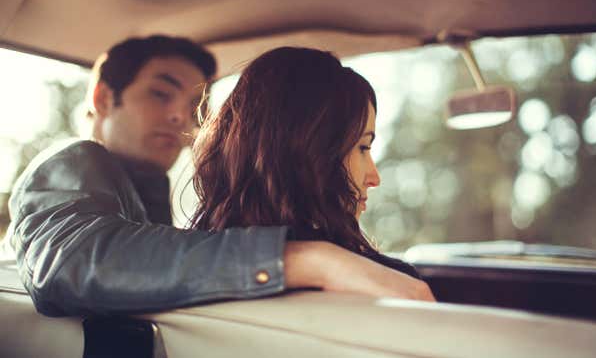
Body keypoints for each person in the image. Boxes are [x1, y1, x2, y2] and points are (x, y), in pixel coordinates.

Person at [6, 36, 434, 317]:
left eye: (195, 101)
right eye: (160, 92)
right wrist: (311, 259)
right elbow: (71, 260)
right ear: (103, 97)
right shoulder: (72, 162)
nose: (180, 115)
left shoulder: (157, 219)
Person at [191, 47, 433, 287]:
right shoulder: (387, 283)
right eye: (362, 147)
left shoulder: (194, 268)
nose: (374, 178)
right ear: (310, 150)